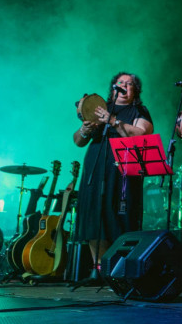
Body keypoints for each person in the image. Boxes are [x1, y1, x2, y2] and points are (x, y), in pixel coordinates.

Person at [73, 72, 153, 276]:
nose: (124, 86)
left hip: (122, 172)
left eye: (129, 84)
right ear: (113, 87)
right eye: (120, 82)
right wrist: (85, 128)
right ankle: (98, 268)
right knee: (93, 217)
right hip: (95, 167)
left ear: (135, 91)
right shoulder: (101, 108)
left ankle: (118, 269)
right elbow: (78, 141)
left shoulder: (139, 111)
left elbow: (142, 134)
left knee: (117, 217)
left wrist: (114, 121)